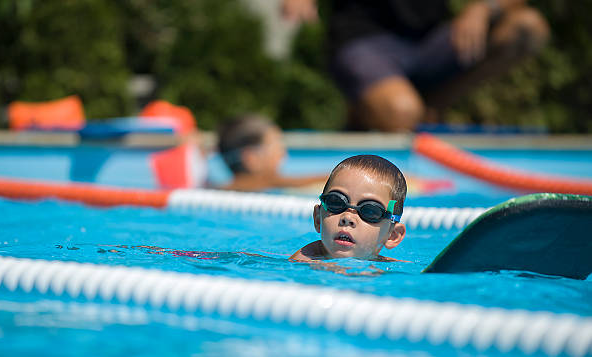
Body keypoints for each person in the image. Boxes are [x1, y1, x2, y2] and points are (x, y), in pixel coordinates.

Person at [282, 0, 550, 131]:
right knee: (400, 112)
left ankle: (428, 107)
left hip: (429, 43)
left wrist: (482, 7)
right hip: (361, 39)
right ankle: (374, 109)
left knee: (527, 28)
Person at [290, 154, 406, 261]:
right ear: (318, 218)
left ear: (392, 235)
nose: (347, 217)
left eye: (370, 211)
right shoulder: (304, 261)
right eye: (336, 202)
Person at [217, 114, 327, 191]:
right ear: (251, 158)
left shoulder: (216, 191)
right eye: (277, 148)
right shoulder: (265, 184)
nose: (283, 155)